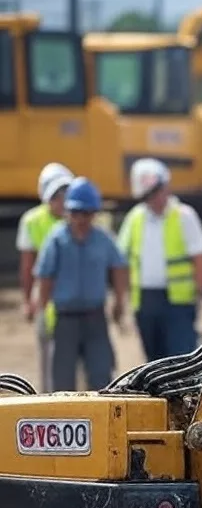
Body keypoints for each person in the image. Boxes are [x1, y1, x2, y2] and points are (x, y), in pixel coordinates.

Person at [32, 177, 128, 392]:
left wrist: (119, 302)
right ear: (68, 212)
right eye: (75, 213)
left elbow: (119, 267)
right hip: (65, 319)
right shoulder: (56, 239)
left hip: (95, 318)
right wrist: (41, 311)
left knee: (101, 377)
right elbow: (45, 276)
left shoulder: (103, 239)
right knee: (62, 382)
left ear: (94, 213)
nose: (80, 219)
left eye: (86, 213)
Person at [118, 157, 202, 362]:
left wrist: (199, 291)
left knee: (180, 358)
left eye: (157, 191)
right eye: (149, 195)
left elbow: (199, 256)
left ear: (166, 187)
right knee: (154, 361)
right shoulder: (135, 218)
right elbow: (121, 259)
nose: (156, 198)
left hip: (178, 301)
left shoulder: (184, 215)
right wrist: (122, 299)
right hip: (146, 300)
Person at [17, 162, 74, 392]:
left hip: (74, 303)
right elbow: (27, 265)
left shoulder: (80, 218)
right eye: (57, 195)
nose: (62, 200)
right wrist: (27, 301)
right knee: (50, 364)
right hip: (46, 301)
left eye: (65, 193)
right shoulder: (32, 221)